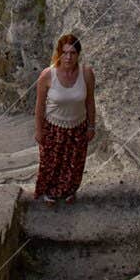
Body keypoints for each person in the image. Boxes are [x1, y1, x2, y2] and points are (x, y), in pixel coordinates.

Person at [33, 32, 95, 205]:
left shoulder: (87, 73)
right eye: (65, 53)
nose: (68, 57)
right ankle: (50, 193)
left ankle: (69, 190)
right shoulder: (47, 75)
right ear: (59, 53)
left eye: (72, 53)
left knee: (74, 162)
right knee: (51, 163)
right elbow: (39, 106)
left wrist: (91, 126)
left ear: (78, 54)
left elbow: (90, 102)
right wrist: (38, 130)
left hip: (78, 126)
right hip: (53, 127)